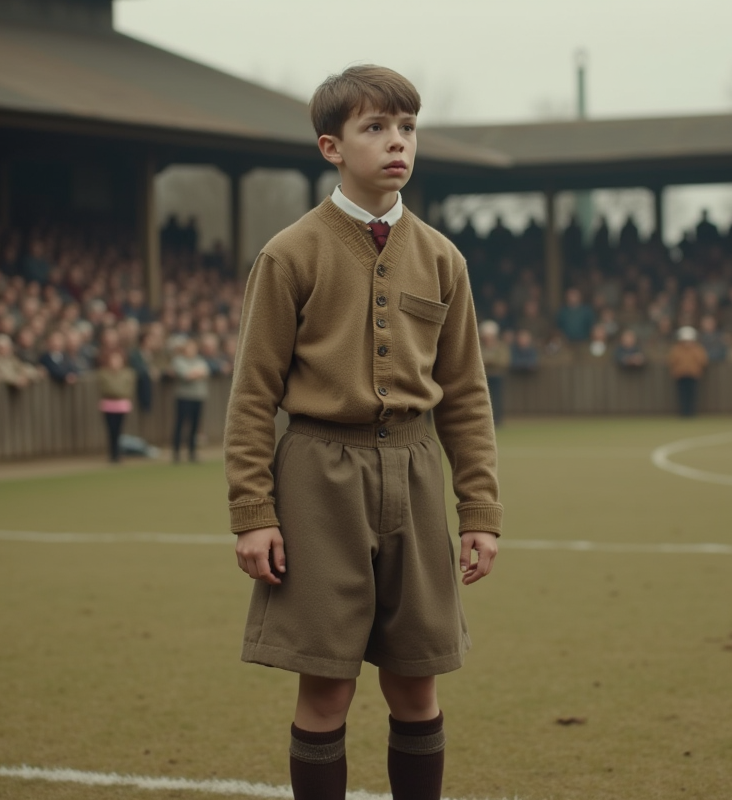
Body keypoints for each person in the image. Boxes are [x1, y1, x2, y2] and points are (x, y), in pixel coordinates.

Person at [225, 65, 501, 800]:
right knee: (326, 692)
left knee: (417, 688)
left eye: (406, 126)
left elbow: (467, 396)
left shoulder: (445, 258)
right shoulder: (290, 254)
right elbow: (252, 395)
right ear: (332, 147)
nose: (396, 142)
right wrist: (254, 514)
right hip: (318, 478)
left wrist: (480, 512)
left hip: (414, 475)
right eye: (374, 128)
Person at [171, 337, 209, 463]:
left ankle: (192, 453)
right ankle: (176, 453)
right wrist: (195, 374)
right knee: (180, 424)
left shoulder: (200, 360)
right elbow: (186, 375)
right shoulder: (178, 361)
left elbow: (205, 372)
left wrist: (194, 374)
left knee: (195, 425)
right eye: (189, 348)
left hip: (198, 397)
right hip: (184, 397)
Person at [96, 349, 137, 463]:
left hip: (122, 405)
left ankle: (118, 453)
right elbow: (108, 389)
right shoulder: (103, 373)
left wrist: (118, 392)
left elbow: (127, 390)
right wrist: (117, 391)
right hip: (108, 405)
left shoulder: (128, 373)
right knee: (111, 430)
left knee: (119, 430)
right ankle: (112, 454)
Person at [667, 326, 708, 418]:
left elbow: (703, 361)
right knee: (682, 395)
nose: (687, 343)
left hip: (693, 375)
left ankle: (691, 412)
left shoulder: (697, 349)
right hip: (680, 375)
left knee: (692, 395)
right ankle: (684, 412)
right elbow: (671, 361)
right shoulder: (676, 349)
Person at [479, 320, 509, 426]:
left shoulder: (501, 346)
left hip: (497, 376)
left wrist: (489, 361)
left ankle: (498, 420)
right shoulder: (479, 346)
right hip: (483, 377)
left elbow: (503, 361)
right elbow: (478, 360)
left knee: (497, 398)